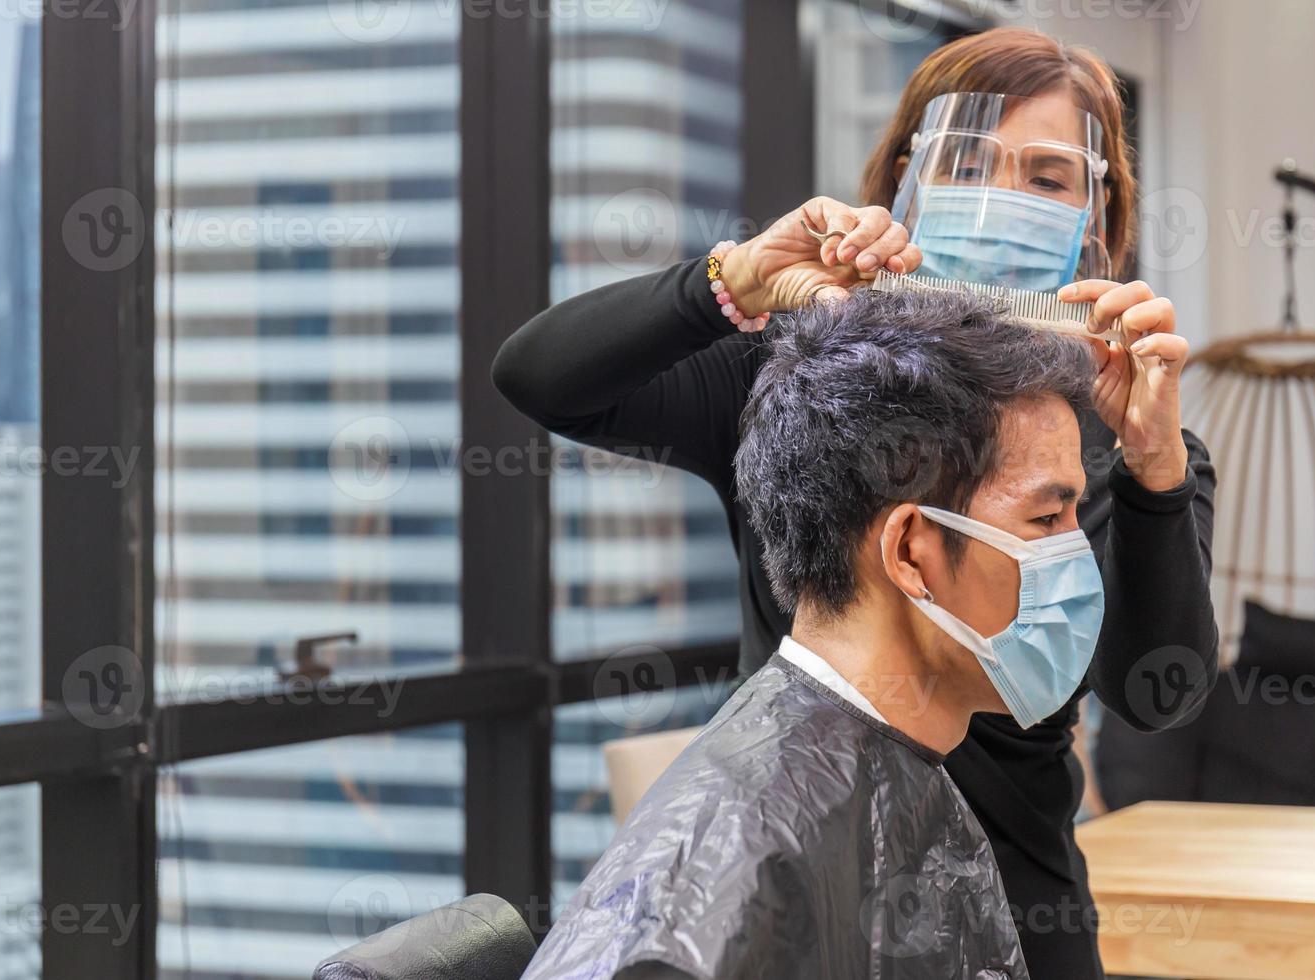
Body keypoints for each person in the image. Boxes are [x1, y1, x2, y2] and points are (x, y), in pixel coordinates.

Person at [495, 28, 1218, 978]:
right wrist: (730, 282)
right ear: (904, 181)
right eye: (967, 165)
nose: (1002, 199)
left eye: (1047, 177)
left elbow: (1157, 692)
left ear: (1100, 213)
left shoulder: (1127, 437)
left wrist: (1154, 465)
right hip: (805, 883)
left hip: (1016, 909)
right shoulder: (796, 375)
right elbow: (540, 377)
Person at [522, 288, 1098, 980]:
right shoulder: (734, 861)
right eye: (1046, 521)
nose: (1080, 557)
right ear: (912, 551)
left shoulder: (903, 766)